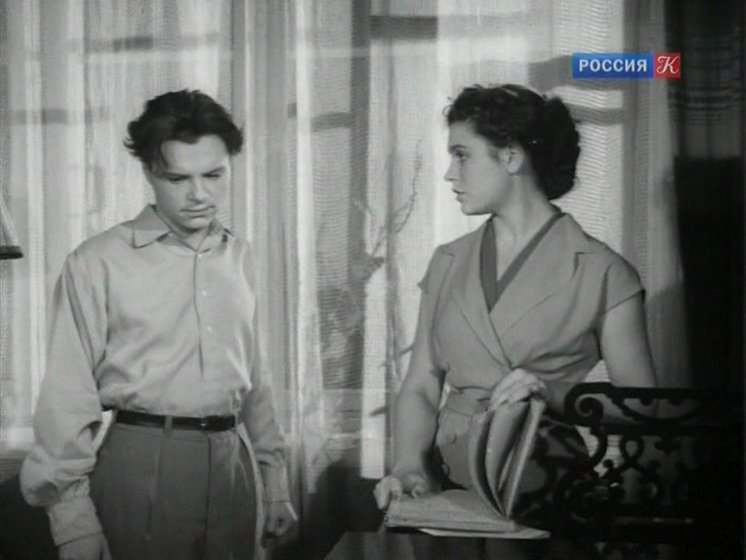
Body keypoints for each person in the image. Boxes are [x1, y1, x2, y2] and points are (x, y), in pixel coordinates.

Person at [20, 90, 297, 560]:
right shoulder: (97, 262)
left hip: (233, 468)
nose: (199, 194)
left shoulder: (240, 257)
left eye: (214, 175)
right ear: (150, 172)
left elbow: (255, 381)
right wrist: (73, 523)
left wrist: (275, 485)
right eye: (179, 178)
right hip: (140, 463)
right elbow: (66, 397)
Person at [374, 83, 657, 509]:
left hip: (547, 486)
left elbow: (643, 405)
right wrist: (409, 464)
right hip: (445, 485)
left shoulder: (603, 271)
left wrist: (554, 393)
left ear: (511, 157)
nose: (449, 173)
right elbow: (422, 383)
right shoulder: (448, 261)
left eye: (462, 155)